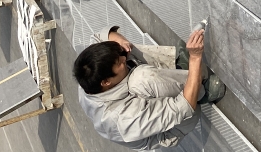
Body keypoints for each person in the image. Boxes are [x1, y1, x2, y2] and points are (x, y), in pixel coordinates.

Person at [73, 24, 226, 150]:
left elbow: (98, 36)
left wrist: (121, 42)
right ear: (106, 82)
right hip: (172, 127)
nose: (122, 58)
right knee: (142, 78)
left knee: (125, 52)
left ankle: (180, 69)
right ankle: (202, 89)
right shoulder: (123, 118)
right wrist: (195, 57)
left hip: (144, 102)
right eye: (119, 63)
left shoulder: (89, 74)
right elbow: (182, 108)